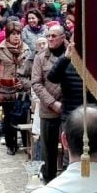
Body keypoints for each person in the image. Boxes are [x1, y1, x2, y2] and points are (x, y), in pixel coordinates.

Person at [0, 21, 32, 155]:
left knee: (24, 115)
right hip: (5, 87)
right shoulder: (0, 49)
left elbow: (31, 69)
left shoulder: (27, 49)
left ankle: (26, 144)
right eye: (13, 34)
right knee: (8, 116)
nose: (16, 36)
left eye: (18, 33)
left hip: (22, 87)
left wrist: (27, 83)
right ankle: (10, 144)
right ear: (7, 35)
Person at [32, 24, 66, 183]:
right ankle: (49, 181)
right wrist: (53, 103)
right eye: (48, 36)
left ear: (63, 37)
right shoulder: (40, 57)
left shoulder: (72, 54)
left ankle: (67, 182)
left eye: (54, 36)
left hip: (69, 109)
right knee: (48, 152)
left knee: (70, 149)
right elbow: (37, 83)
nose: (50, 39)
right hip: (48, 110)